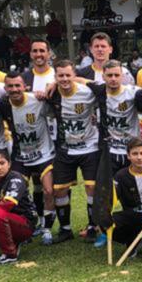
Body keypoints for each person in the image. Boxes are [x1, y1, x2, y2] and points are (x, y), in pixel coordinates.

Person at [48, 59, 102, 242]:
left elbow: (103, 90)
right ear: (55, 77)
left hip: (90, 146)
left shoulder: (87, 93)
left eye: (68, 75)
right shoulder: (52, 94)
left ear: (74, 75)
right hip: (65, 149)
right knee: (59, 190)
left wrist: (82, 80)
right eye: (60, 75)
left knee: (91, 187)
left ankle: (93, 227)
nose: (64, 79)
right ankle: (65, 229)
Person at [0, 71, 56, 239]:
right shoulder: (3, 105)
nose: (15, 89)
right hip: (20, 156)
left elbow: (56, 112)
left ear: (25, 86)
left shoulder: (37, 101)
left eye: (18, 85)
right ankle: (26, 225)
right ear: (5, 88)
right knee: (16, 193)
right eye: (10, 86)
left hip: (44, 153)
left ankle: (47, 228)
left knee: (48, 190)